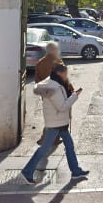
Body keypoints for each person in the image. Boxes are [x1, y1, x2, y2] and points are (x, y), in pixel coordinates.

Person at [21, 52, 89, 184]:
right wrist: (75, 96)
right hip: (56, 123)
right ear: (58, 73)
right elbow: (62, 107)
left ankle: (75, 171)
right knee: (44, 149)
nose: (66, 75)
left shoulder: (53, 83)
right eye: (64, 72)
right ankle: (27, 171)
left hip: (59, 122)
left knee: (69, 145)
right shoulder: (54, 87)